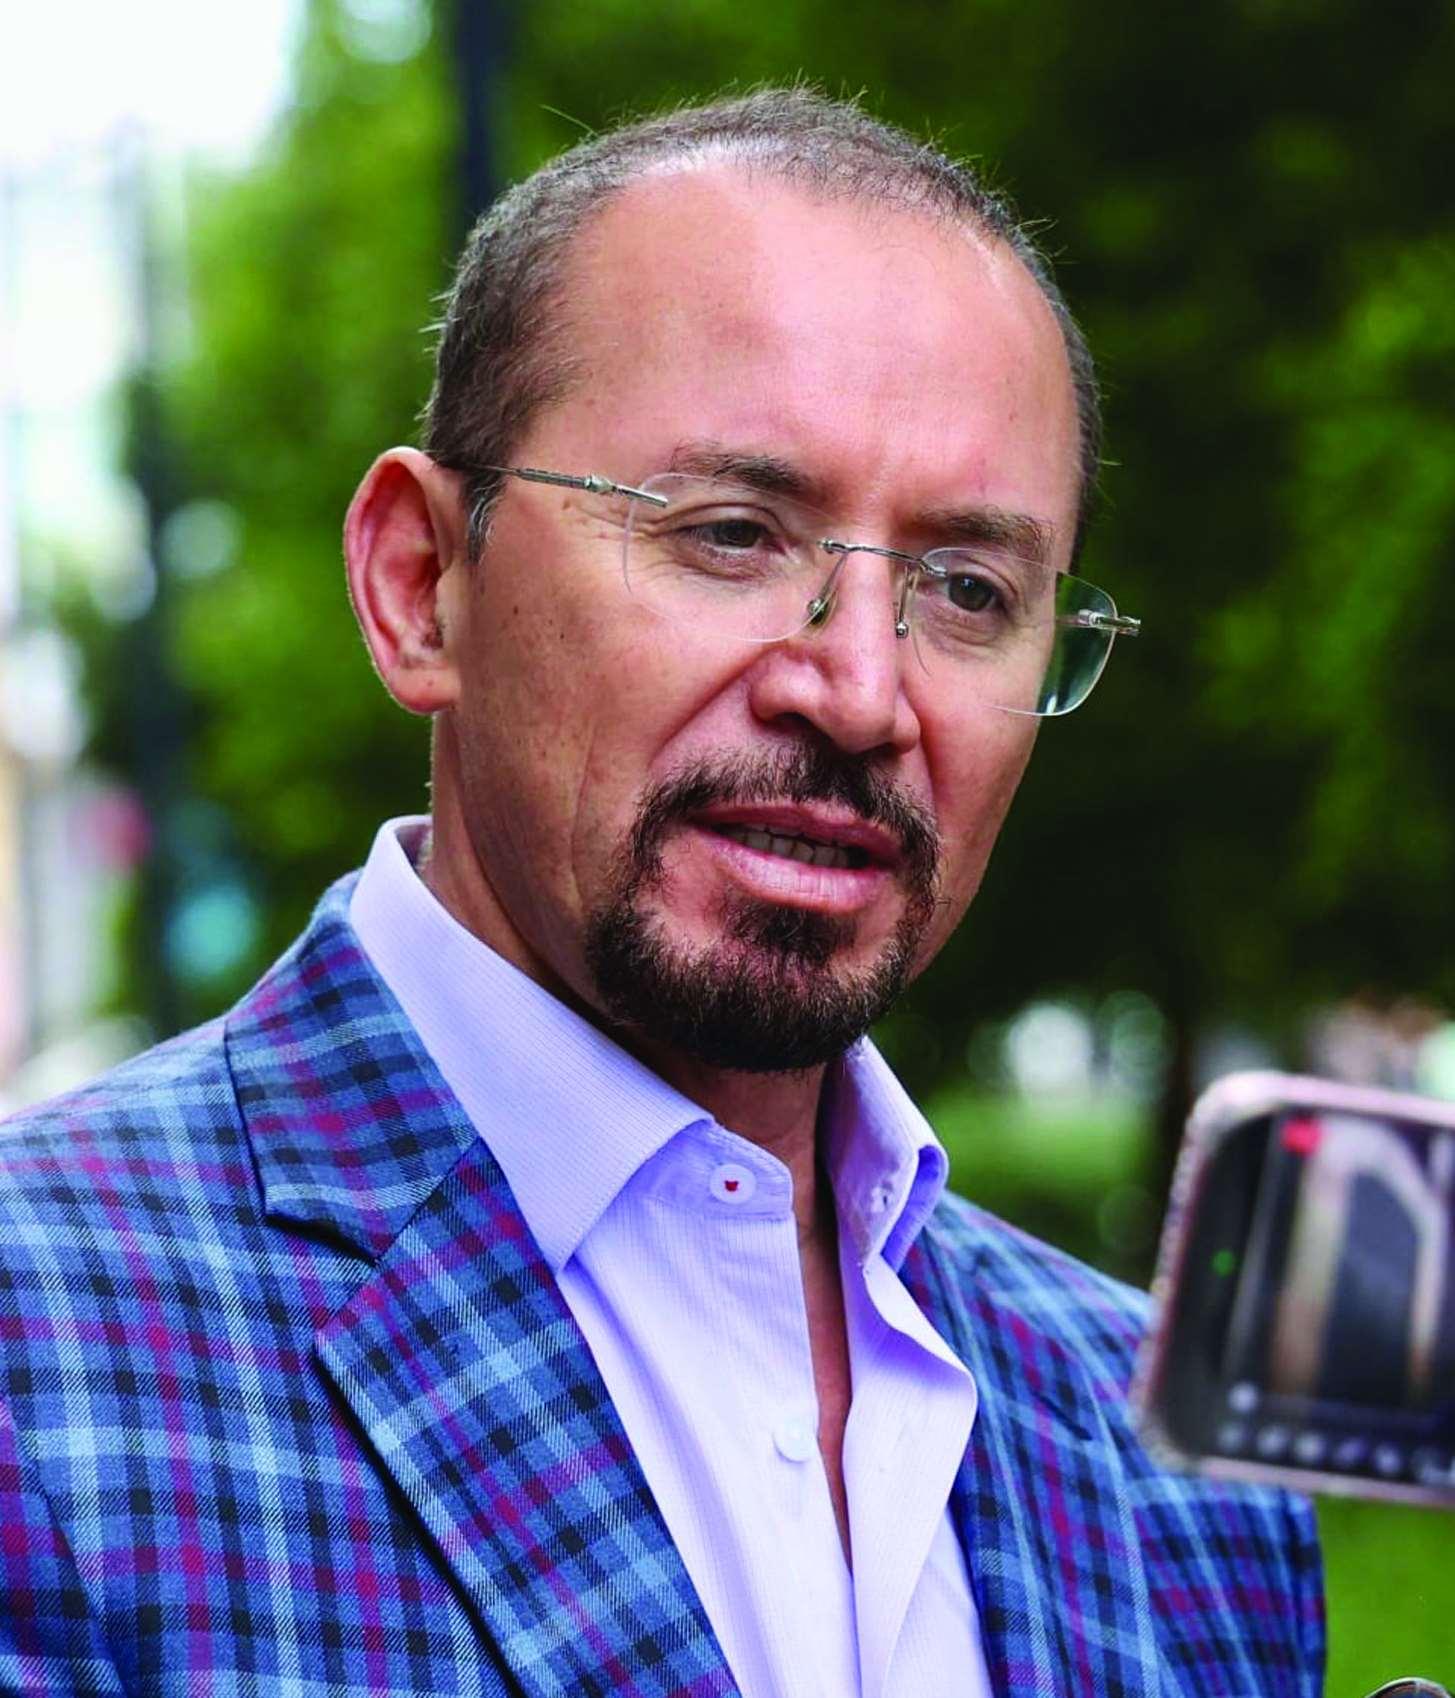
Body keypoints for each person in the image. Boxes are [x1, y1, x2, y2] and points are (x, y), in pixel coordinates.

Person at [0, 90, 1323, 1696]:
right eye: (732, 535)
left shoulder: (1178, 1467)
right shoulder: (43, 1345)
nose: (860, 689)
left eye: (970, 588)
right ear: (421, 585)